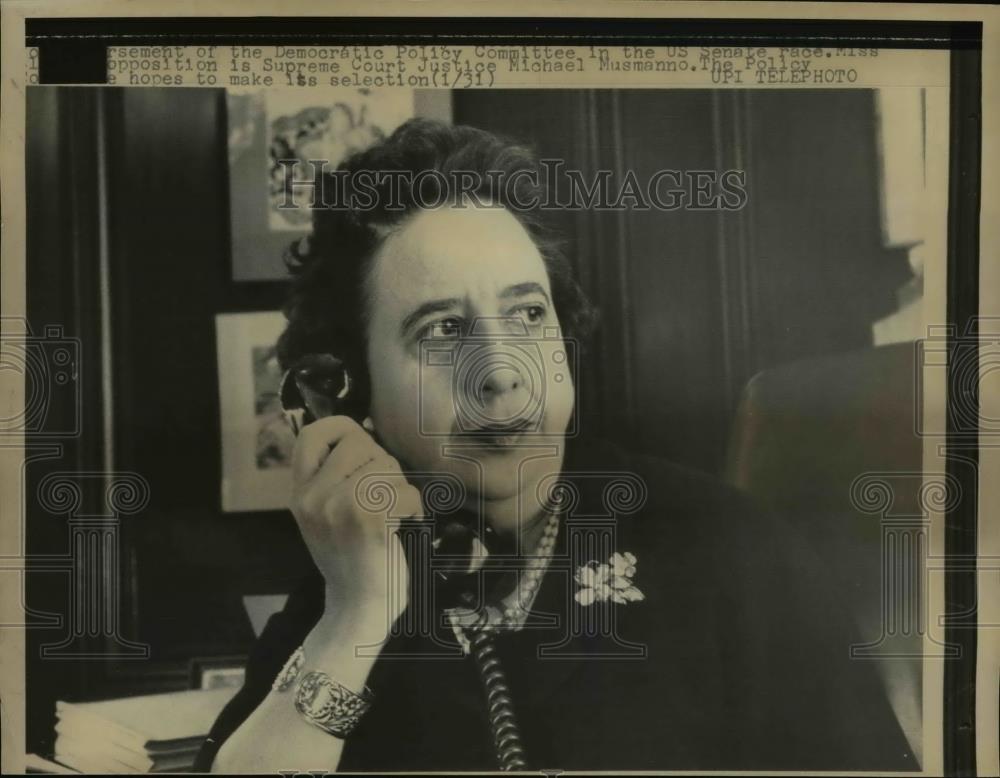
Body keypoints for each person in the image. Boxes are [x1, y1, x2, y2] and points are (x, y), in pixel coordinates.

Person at [196, 118, 916, 773]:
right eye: (443, 331)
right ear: (353, 395)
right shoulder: (351, 583)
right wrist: (355, 617)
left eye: (528, 315)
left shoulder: (726, 551)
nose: (503, 373)